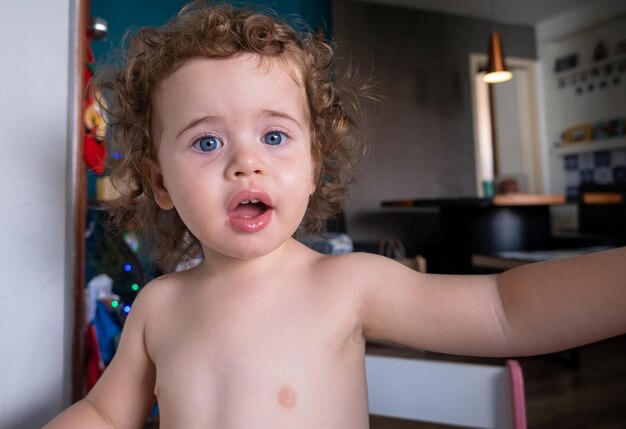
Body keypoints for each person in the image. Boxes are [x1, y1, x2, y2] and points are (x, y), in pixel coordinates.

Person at [45, 3, 626, 428]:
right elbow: (103, 412)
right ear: (160, 183)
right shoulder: (157, 305)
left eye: (274, 135)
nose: (246, 164)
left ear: (316, 164)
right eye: (206, 143)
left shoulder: (346, 285)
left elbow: (504, 311)